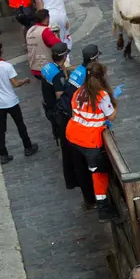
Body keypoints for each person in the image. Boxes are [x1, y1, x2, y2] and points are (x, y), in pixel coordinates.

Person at [41, 43, 96, 210]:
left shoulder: (48, 68)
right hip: (63, 117)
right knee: (74, 156)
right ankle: (80, 187)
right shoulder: (61, 76)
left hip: (53, 111)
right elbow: (60, 97)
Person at [65, 62, 118, 222]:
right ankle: (103, 209)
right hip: (90, 140)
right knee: (99, 174)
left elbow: (74, 109)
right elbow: (111, 116)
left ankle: (88, 199)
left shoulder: (79, 91)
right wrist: (114, 103)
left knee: (83, 169)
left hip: (73, 135)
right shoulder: (102, 95)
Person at [0, 41, 39, 165]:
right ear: (1, 51)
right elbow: (15, 83)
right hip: (11, 101)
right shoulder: (6, 66)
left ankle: (3, 154)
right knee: (20, 124)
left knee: (1, 129)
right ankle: (27, 147)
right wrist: (25, 80)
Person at [26, 9, 62, 79]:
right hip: (47, 69)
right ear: (47, 18)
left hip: (34, 68)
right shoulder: (45, 31)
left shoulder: (30, 30)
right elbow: (60, 46)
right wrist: (57, 35)